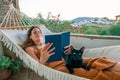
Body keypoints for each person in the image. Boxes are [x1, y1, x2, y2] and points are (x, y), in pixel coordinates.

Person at [21, 26, 120, 80]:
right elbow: (38, 66)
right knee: (91, 72)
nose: (38, 33)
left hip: (68, 59)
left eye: (39, 31)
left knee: (97, 60)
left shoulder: (48, 43)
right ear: (30, 37)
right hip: (59, 66)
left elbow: (62, 53)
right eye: (35, 32)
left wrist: (68, 51)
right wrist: (43, 58)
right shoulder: (30, 48)